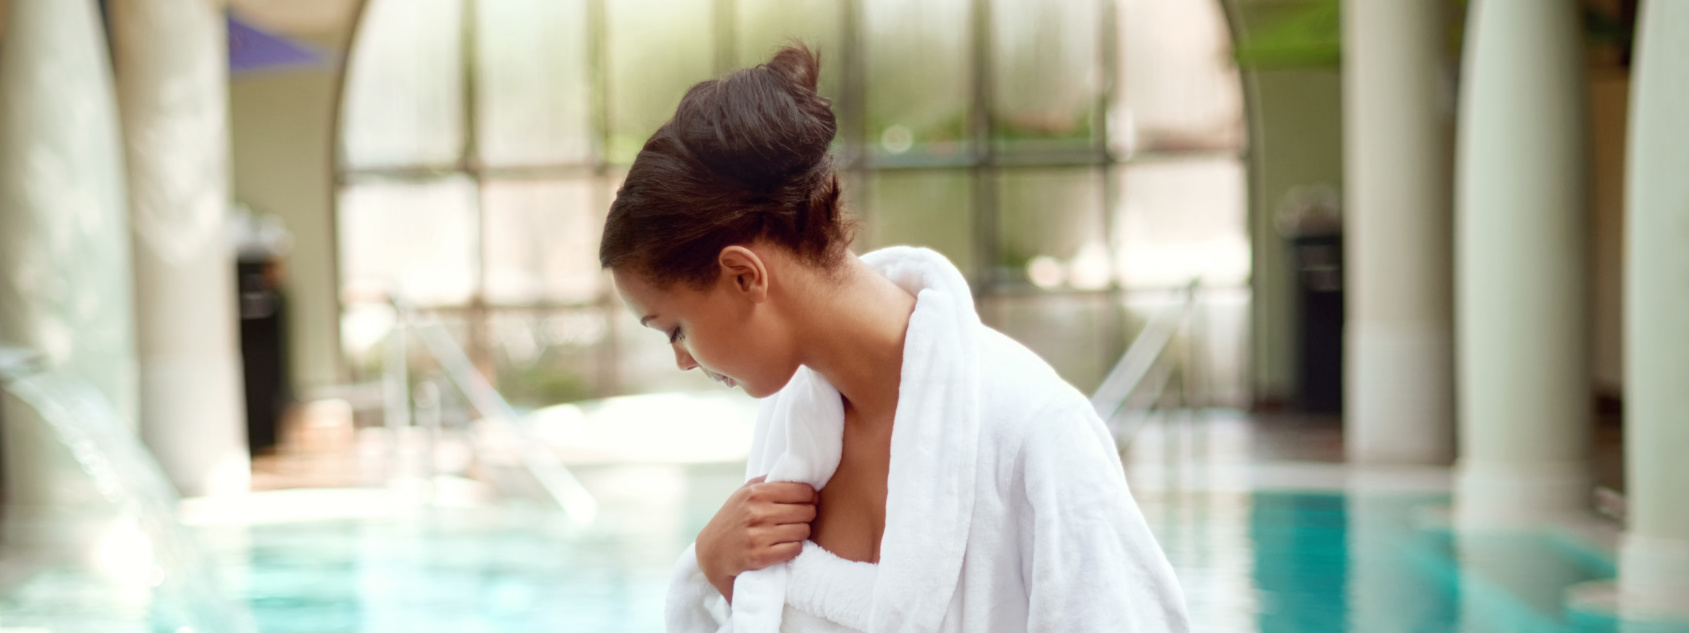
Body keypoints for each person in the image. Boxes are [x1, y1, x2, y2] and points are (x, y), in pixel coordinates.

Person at [600, 43, 1188, 633]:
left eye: (675, 329)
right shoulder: (792, 424)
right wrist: (711, 568)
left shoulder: (1032, 428)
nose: (681, 359)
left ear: (744, 275)